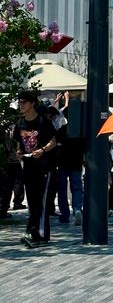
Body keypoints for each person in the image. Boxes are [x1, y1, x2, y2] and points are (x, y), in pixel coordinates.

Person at [12, 89, 57, 248]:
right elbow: (19, 142)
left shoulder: (43, 122)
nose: (20, 105)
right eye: (19, 102)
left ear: (32, 104)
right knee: (32, 201)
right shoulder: (20, 123)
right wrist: (19, 152)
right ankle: (36, 233)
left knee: (42, 201)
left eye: (23, 102)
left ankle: (35, 232)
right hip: (29, 166)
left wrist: (43, 150)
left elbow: (53, 141)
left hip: (45, 166)